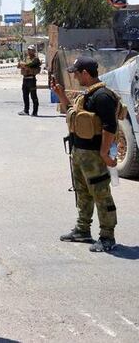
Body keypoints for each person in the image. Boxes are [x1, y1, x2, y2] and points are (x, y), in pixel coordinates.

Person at [52, 56, 120, 253]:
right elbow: (74, 115)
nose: (74, 77)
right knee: (82, 192)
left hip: (94, 156)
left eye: (76, 73)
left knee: (101, 194)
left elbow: (110, 127)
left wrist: (105, 152)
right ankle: (83, 230)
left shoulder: (103, 96)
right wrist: (62, 96)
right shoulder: (87, 95)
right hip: (79, 152)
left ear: (85, 73)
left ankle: (107, 236)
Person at [17, 45, 41, 116]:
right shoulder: (26, 58)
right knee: (25, 95)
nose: (29, 51)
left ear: (34, 51)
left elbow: (31, 66)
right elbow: (19, 65)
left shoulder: (35, 59)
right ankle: (26, 110)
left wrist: (25, 66)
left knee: (33, 96)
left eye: (31, 50)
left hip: (31, 79)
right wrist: (23, 65)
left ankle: (35, 112)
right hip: (25, 79)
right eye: (29, 50)